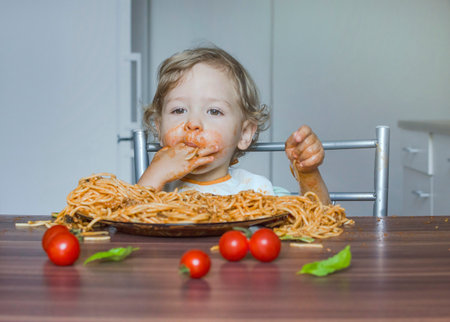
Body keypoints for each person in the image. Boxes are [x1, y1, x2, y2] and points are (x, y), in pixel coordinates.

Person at [138, 47, 331, 204]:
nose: (193, 123)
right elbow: (125, 223)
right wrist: (154, 176)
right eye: (179, 110)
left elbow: (317, 221)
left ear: (244, 133)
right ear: (158, 127)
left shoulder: (256, 191)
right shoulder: (155, 190)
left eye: (214, 111)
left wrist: (308, 174)